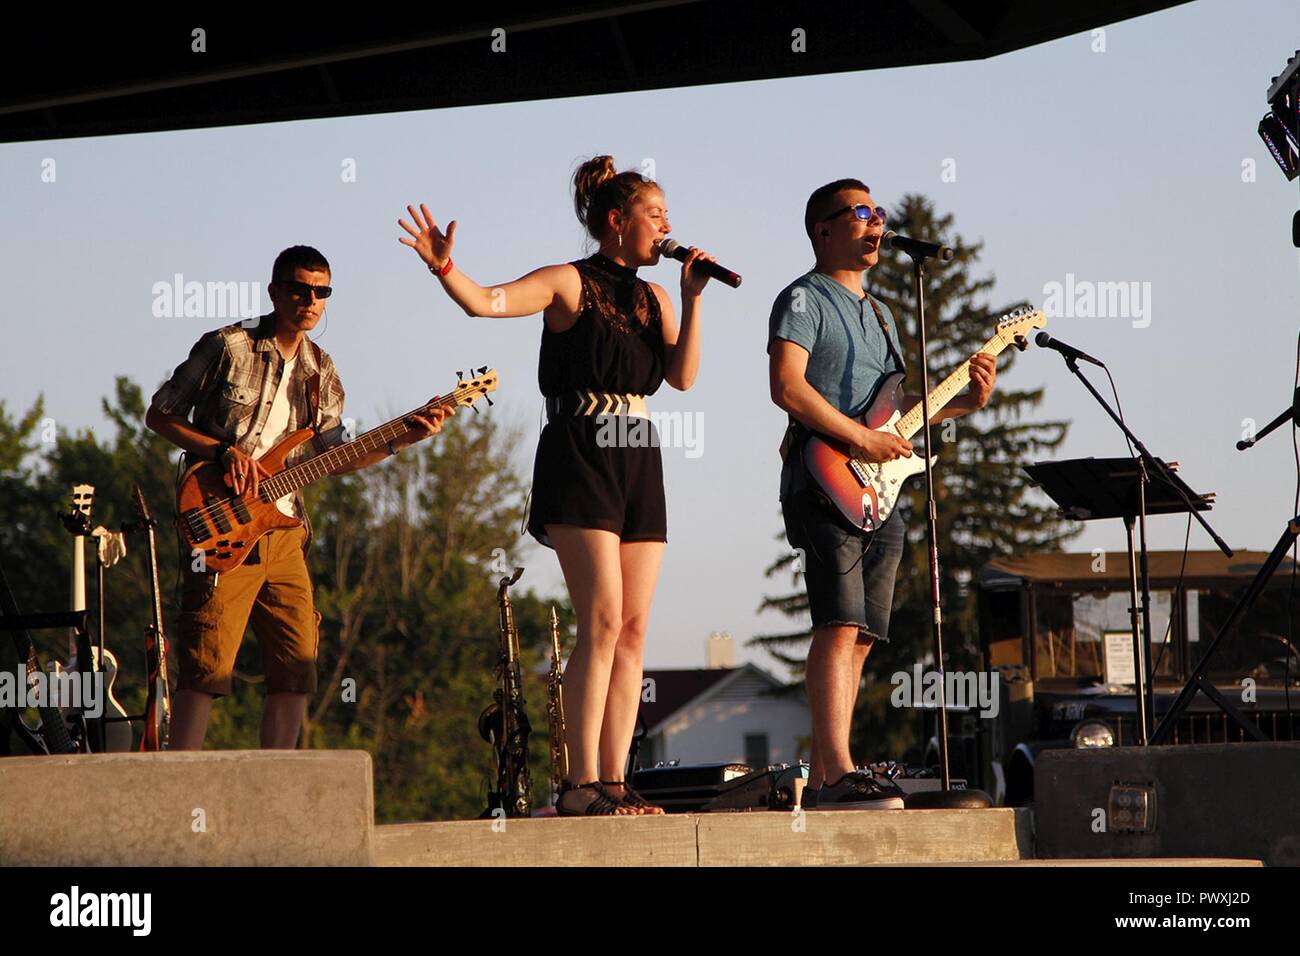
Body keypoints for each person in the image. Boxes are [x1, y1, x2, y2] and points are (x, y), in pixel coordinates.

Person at [398, 156, 716, 815]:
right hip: (579, 450)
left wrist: (690, 298)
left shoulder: (655, 297)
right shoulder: (568, 282)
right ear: (615, 221)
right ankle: (578, 787)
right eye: (655, 215)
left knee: (632, 629)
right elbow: (487, 303)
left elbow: (683, 378)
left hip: (639, 452)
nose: (667, 226)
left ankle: (616, 780)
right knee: (599, 618)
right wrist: (444, 267)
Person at [145, 245, 450, 750]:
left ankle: (276, 793)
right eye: (299, 289)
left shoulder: (321, 371)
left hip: (285, 533)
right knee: (206, 664)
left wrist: (402, 438)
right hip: (222, 521)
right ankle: (177, 791)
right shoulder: (228, 346)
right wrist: (223, 452)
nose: (311, 300)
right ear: (275, 292)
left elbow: (337, 455)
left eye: (321, 292)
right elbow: (161, 415)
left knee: (297, 666)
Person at [767, 180, 997, 809]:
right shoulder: (803, 299)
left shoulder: (884, 313)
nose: (875, 224)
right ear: (823, 229)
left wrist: (961, 405)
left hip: (879, 490)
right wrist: (855, 442)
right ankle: (835, 772)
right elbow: (787, 387)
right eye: (861, 213)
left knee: (864, 632)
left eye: (880, 214)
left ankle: (831, 771)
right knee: (838, 622)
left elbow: (893, 421)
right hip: (824, 478)